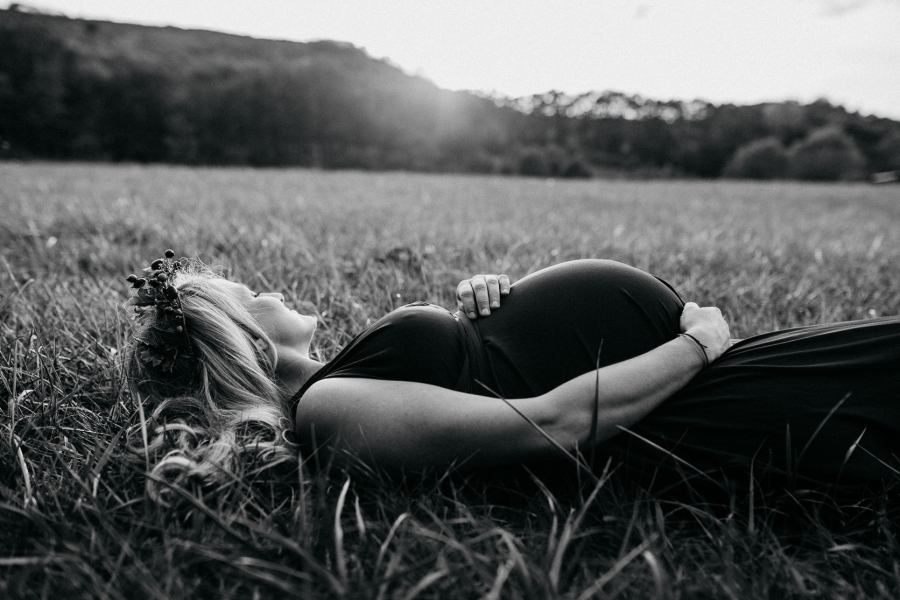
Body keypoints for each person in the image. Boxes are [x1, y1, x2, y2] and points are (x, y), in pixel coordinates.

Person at [126, 252, 900, 501]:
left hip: (687, 387)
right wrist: (700, 343)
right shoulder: (327, 409)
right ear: (246, 339)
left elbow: (481, 371)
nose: (266, 291)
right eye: (248, 296)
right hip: (690, 413)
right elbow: (547, 424)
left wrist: (487, 310)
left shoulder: (344, 376)